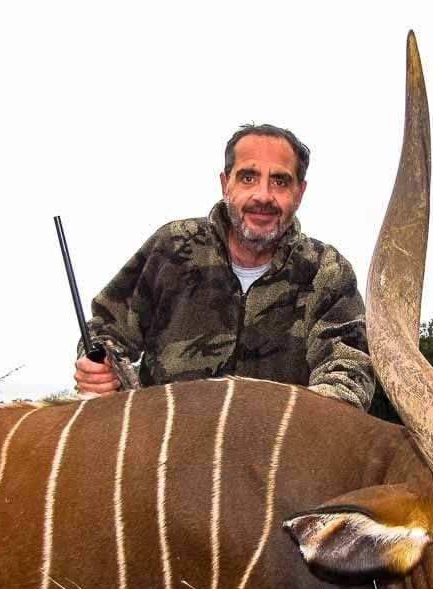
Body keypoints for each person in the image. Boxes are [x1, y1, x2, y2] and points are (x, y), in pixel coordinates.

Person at [73, 124, 375, 410]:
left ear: (300, 192)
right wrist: (98, 366)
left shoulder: (327, 271)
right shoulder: (173, 246)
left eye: (280, 181)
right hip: (165, 437)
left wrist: (301, 421)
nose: (262, 196)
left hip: (275, 443)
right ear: (225, 183)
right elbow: (105, 329)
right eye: (248, 178)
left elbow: (348, 370)